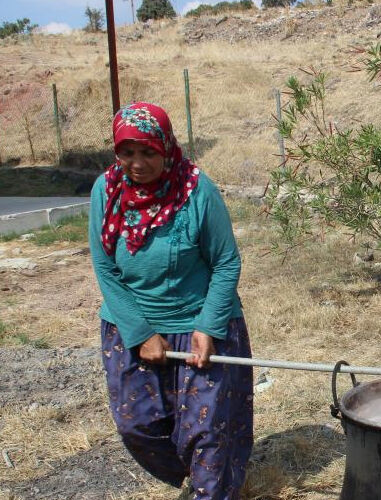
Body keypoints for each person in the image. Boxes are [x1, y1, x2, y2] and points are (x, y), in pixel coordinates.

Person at [89, 101, 253, 499]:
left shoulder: (197, 190)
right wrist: (140, 332)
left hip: (200, 325)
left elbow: (226, 263)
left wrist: (208, 327)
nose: (138, 163)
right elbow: (105, 266)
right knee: (138, 425)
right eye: (127, 152)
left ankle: (210, 484)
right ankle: (199, 472)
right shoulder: (106, 191)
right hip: (132, 328)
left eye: (148, 151)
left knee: (207, 433)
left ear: (167, 147)